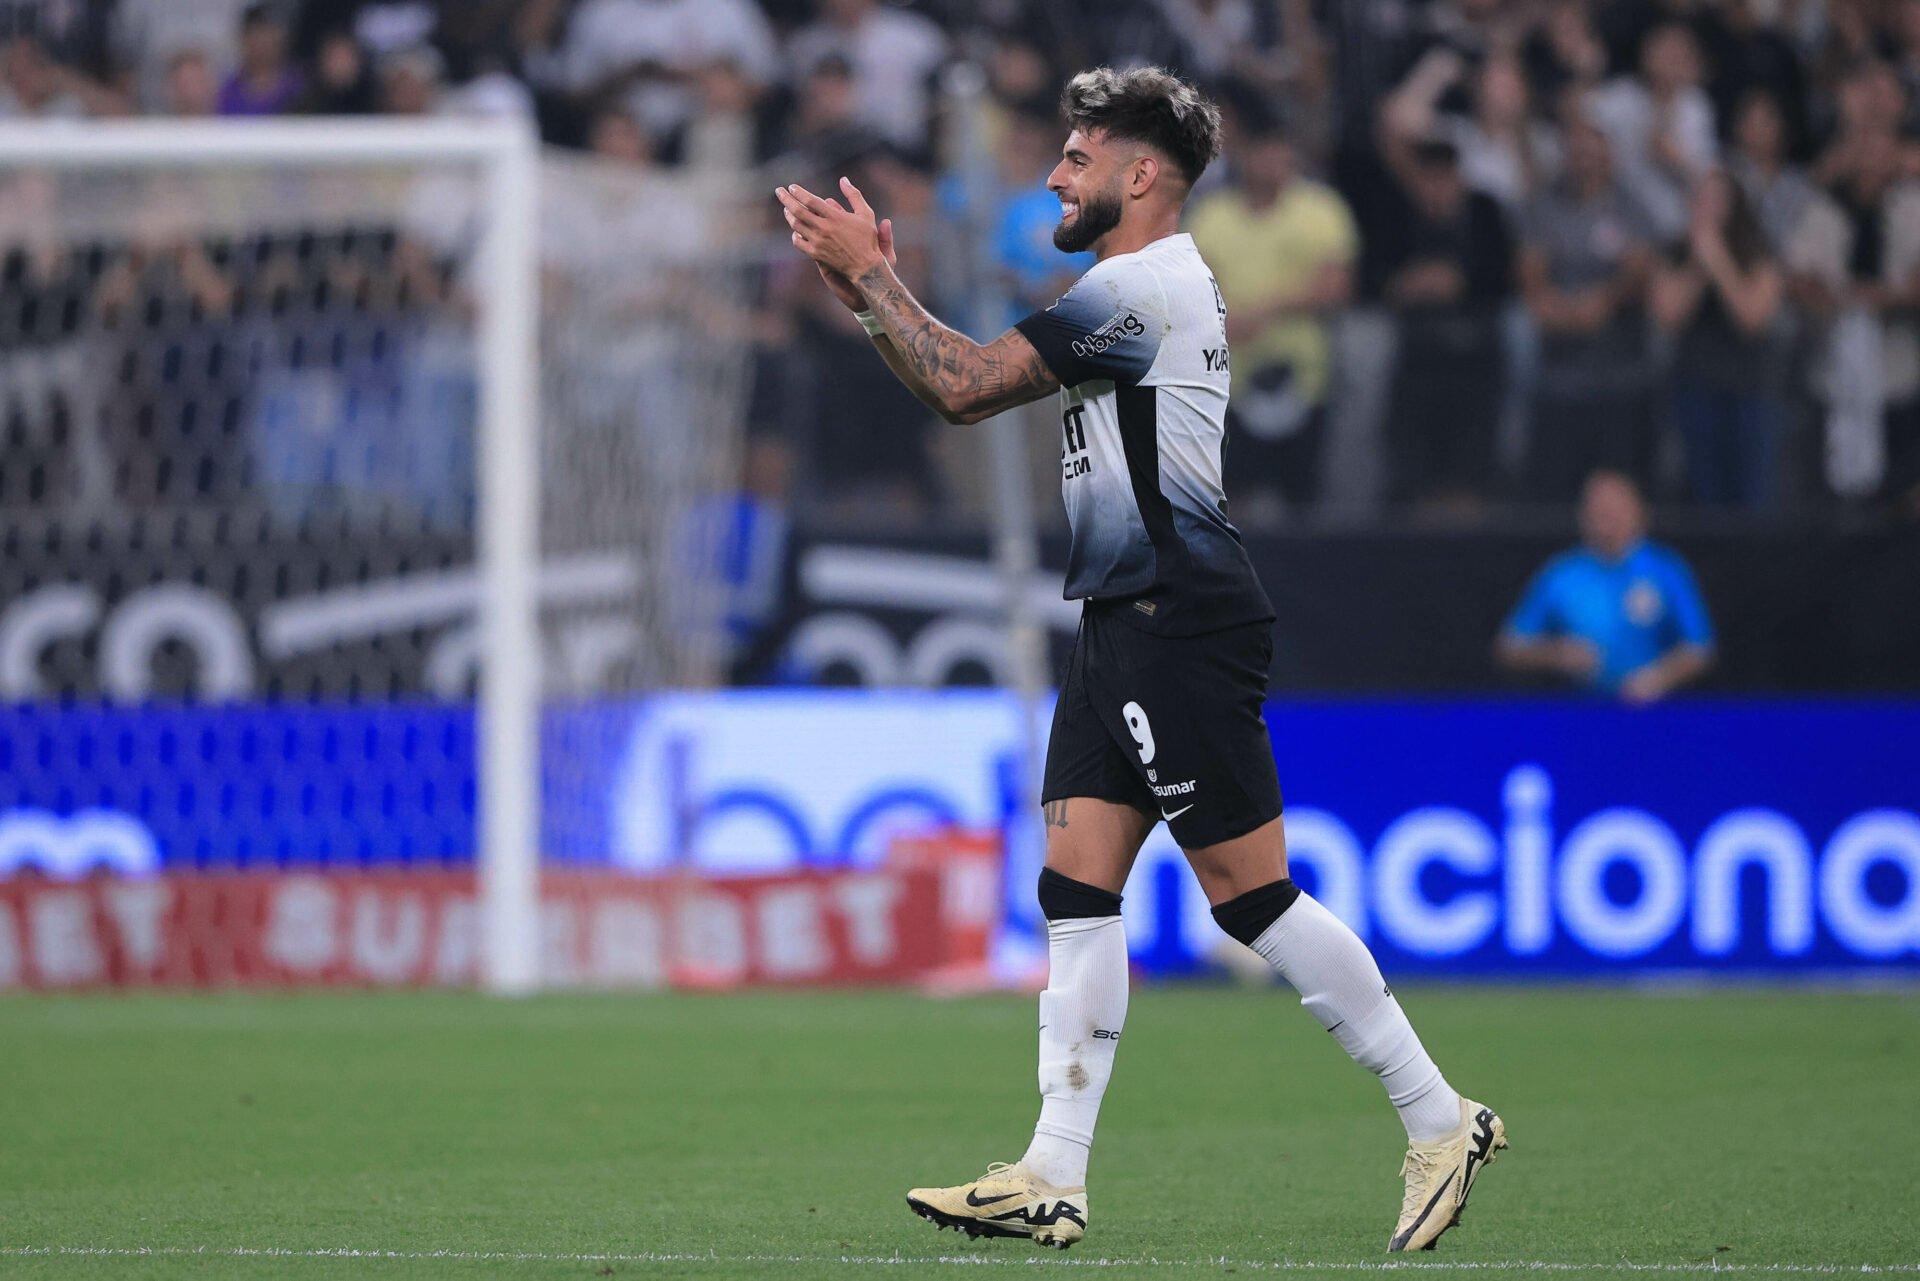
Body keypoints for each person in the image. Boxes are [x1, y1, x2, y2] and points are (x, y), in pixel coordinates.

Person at [776, 65, 1506, 1255]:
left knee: (1249, 898)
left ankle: (1439, 1117)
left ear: (1139, 174)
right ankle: (1051, 1172)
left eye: (1076, 158)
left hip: (1181, 614)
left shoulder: (1141, 287)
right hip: (1124, 615)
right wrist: (869, 292)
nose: (1055, 175)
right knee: (1076, 888)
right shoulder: (1135, 286)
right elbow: (952, 378)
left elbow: (963, 389)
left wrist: (870, 274)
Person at [1186, 120, 1357, 519]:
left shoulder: (1320, 210)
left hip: (1307, 383)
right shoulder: (1212, 216)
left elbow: (1337, 287)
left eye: (1280, 149)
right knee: (1233, 498)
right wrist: (1222, 323)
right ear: (1243, 156)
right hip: (1231, 385)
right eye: (1262, 150)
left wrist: (1267, 309)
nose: (1273, 161)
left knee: (1304, 500)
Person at [1497, 470, 1715, 701]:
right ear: (1583, 516)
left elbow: (1700, 648)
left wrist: (1657, 677)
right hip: (1577, 711)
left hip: (1651, 714)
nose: (1607, 520)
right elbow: (1510, 647)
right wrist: (1557, 654)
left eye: (1615, 510)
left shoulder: (1666, 569)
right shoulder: (1562, 573)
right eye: (1598, 511)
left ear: (1639, 513)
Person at [1650, 170, 1786, 508]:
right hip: (1694, 385)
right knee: (1702, 493)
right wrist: (1698, 263)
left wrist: (1719, 261)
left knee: (1752, 492)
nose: (1708, 208)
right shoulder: (1675, 251)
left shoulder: (1758, 251)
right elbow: (1668, 316)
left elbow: (1751, 318)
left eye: (1718, 200)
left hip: (1750, 388)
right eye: (1702, 199)